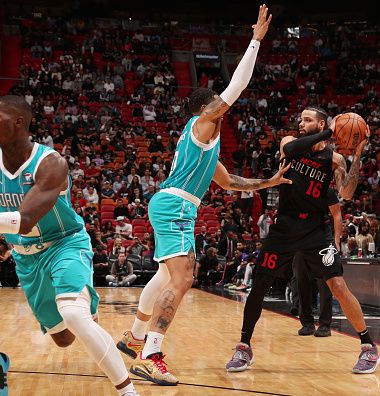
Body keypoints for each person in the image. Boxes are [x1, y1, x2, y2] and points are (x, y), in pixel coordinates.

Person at [117, 6, 287, 385]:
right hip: (176, 203)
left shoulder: (205, 145)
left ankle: (134, 337)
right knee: (183, 279)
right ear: (203, 109)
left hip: (175, 204)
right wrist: (256, 41)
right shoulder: (201, 124)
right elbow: (237, 88)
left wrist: (268, 183)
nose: (222, 107)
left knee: (164, 277)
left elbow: (229, 183)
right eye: (216, 102)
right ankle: (150, 353)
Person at [225, 106, 380, 374]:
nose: (300, 123)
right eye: (300, 119)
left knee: (338, 286)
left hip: (315, 231)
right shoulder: (290, 143)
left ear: (319, 123)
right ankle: (244, 347)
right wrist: (333, 130)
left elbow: (347, 192)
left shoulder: (335, 160)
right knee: (260, 283)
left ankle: (368, 347)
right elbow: (294, 150)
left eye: (307, 120)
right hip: (285, 227)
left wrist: (356, 156)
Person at [0, 95, 138, 395]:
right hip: (26, 258)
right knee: (63, 338)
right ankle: (87, 314)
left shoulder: (50, 163)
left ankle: (128, 391)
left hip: (64, 244)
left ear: (19, 122)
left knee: (73, 314)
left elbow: (23, 220)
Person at [292, 188, 341, 337]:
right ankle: (307, 323)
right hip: (300, 243)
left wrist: (336, 241)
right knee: (301, 283)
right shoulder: (296, 191)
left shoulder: (327, 191)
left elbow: (337, 215)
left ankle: (325, 325)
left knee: (325, 285)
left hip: (322, 243)